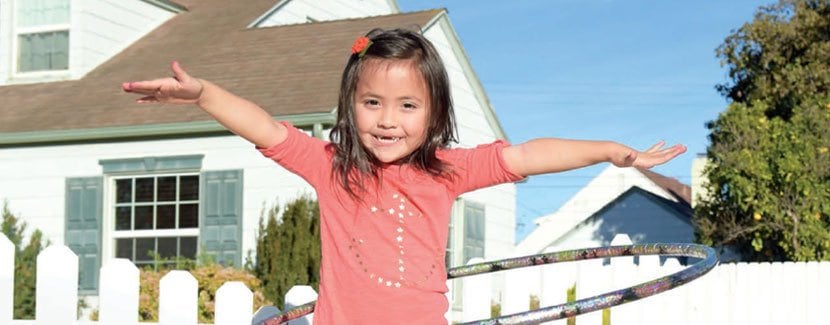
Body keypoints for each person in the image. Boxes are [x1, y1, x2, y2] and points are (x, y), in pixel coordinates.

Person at [122, 28, 685, 324]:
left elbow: (529, 154)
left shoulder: (447, 172)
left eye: (407, 106)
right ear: (351, 105)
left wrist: (611, 150)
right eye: (372, 102)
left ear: (435, 112)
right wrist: (203, 94)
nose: (388, 120)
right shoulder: (330, 167)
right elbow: (264, 126)